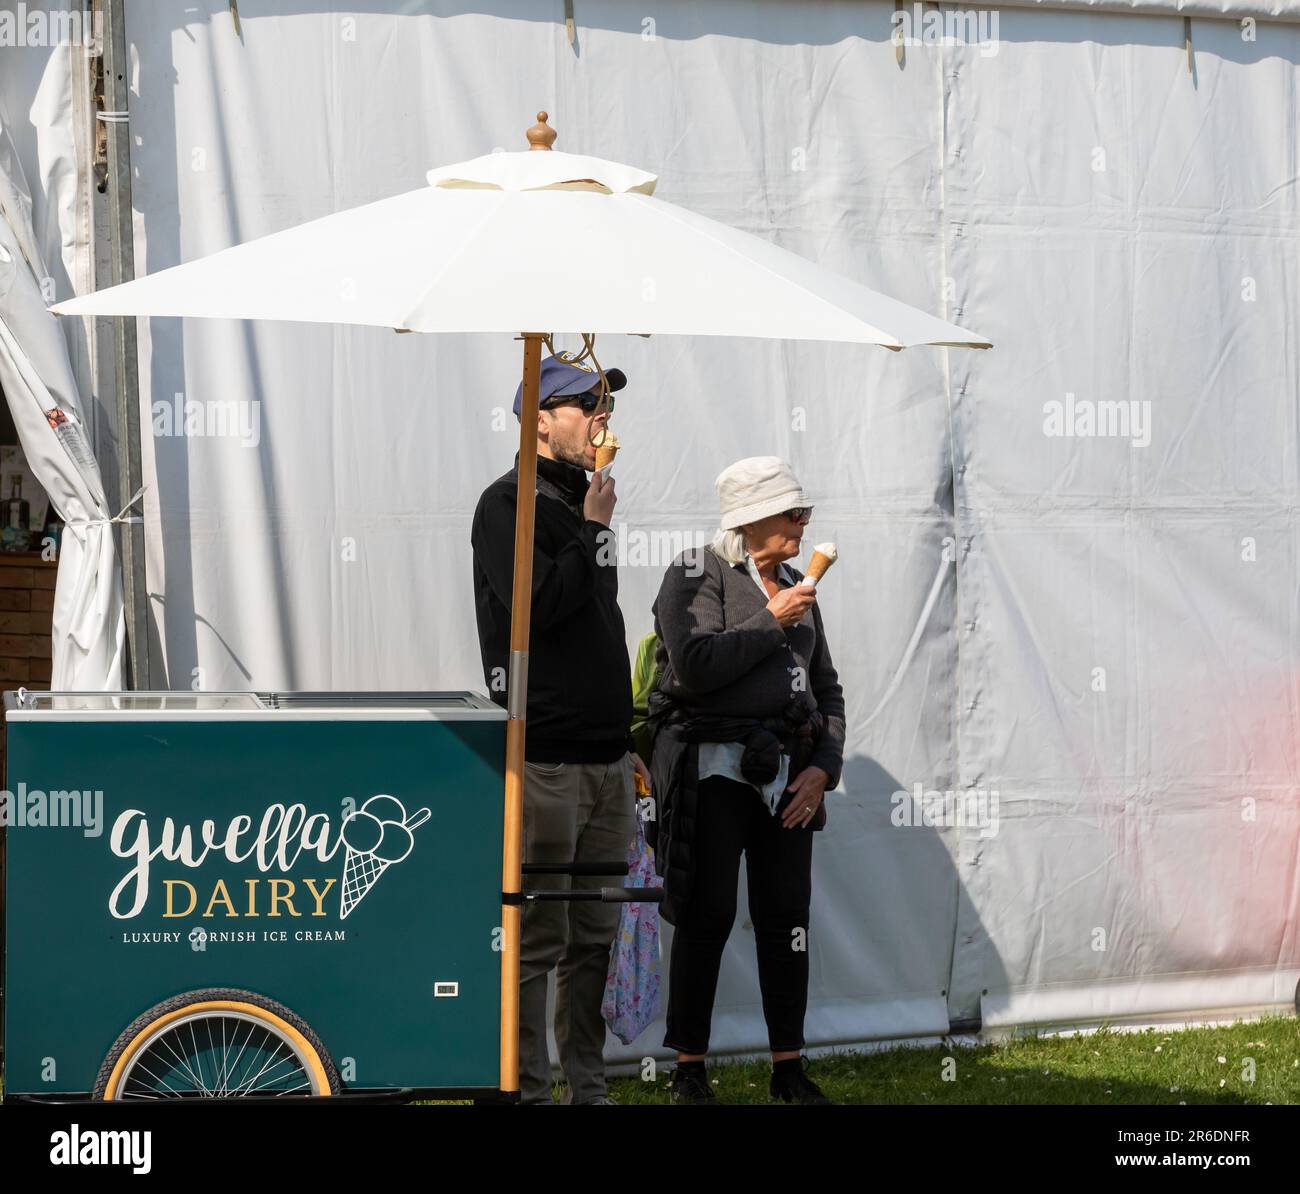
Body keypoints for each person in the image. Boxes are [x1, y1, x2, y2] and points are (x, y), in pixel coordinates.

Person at [471, 354, 649, 1105]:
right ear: (540, 420)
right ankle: (529, 1091)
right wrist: (592, 527)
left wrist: (628, 735)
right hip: (544, 759)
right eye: (587, 405)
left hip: (606, 761)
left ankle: (589, 1087)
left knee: (593, 939)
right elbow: (536, 609)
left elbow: (596, 610)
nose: (602, 418)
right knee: (538, 939)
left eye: (605, 405)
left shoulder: (583, 503)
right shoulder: (505, 504)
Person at [647, 456, 846, 1105]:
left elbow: (827, 691)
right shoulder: (695, 572)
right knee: (708, 913)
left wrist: (822, 770)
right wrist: (772, 621)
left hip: (788, 775)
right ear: (752, 518)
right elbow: (697, 664)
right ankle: (689, 1071)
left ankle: (788, 1068)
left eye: (803, 511)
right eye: (794, 512)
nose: (804, 522)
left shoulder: (793, 583)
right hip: (714, 770)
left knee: (786, 915)